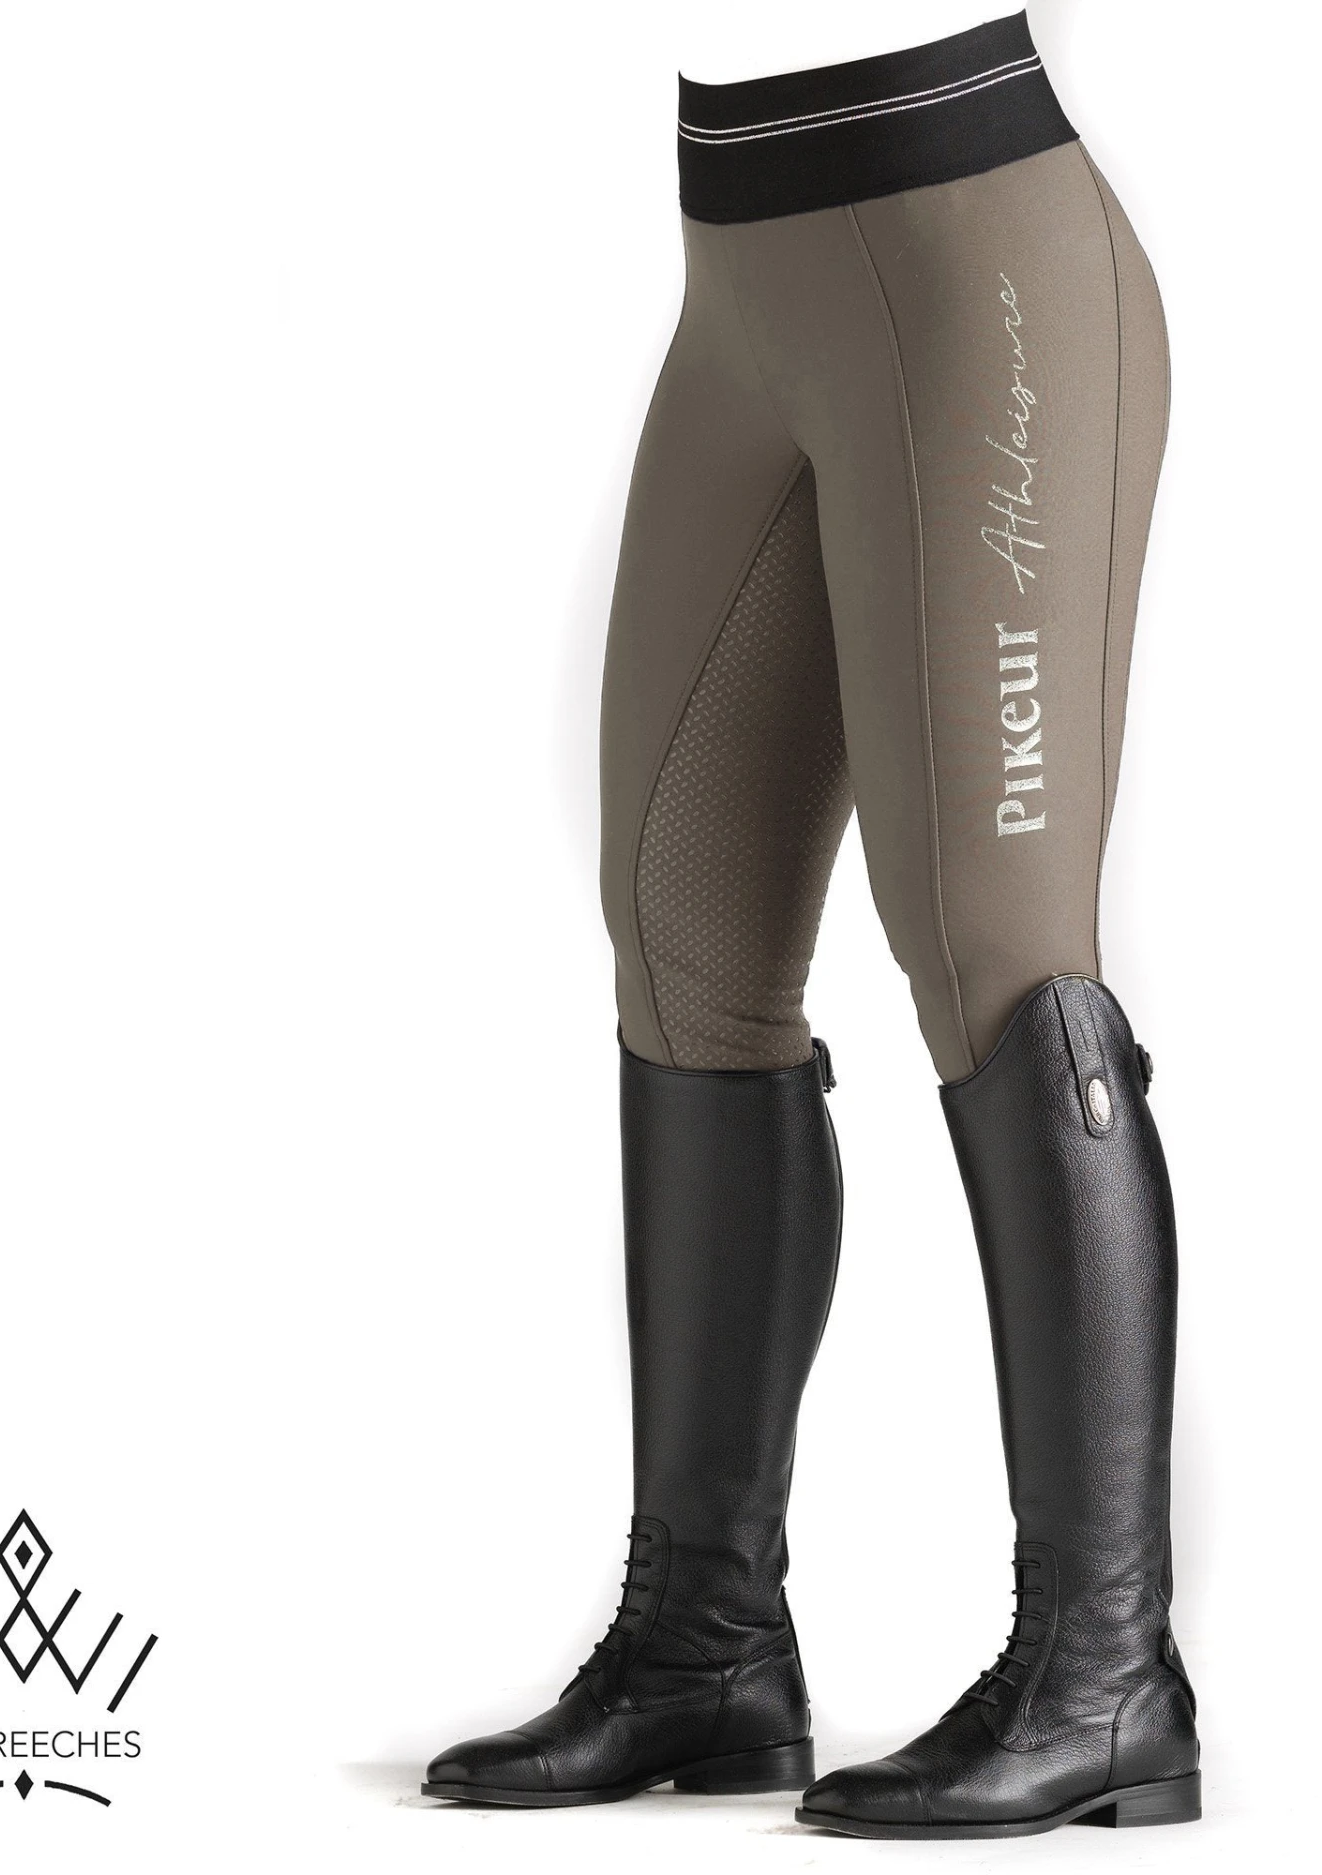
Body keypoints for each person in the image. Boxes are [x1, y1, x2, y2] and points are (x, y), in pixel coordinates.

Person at [422, 7, 1200, 1837]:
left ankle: (1105, 1667)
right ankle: (702, 1641)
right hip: (743, 280)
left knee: (999, 952)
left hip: (974, 269)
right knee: (679, 928)